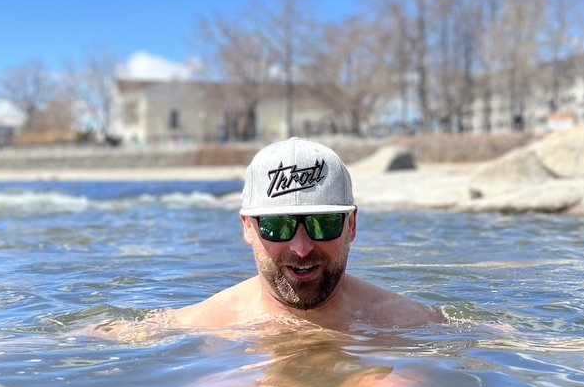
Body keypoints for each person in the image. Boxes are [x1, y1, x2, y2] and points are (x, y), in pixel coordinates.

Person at [172, 137, 444, 330]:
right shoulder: (195, 325)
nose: (301, 248)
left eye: (323, 223)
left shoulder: (412, 322)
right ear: (248, 227)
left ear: (351, 225)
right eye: (277, 226)